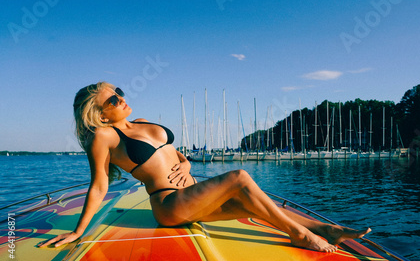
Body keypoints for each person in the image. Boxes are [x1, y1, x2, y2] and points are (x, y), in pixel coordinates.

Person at [39, 82, 370, 252]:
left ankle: (326, 229)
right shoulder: (105, 137)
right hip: (169, 204)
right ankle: (300, 234)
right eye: (111, 100)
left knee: (251, 204)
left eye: (118, 92)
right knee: (240, 177)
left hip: (191, 191)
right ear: (100, 114)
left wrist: (182, 159)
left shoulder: (140, 121)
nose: (120, 98)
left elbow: (169, 151)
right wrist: (79, 231)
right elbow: (99, 185)